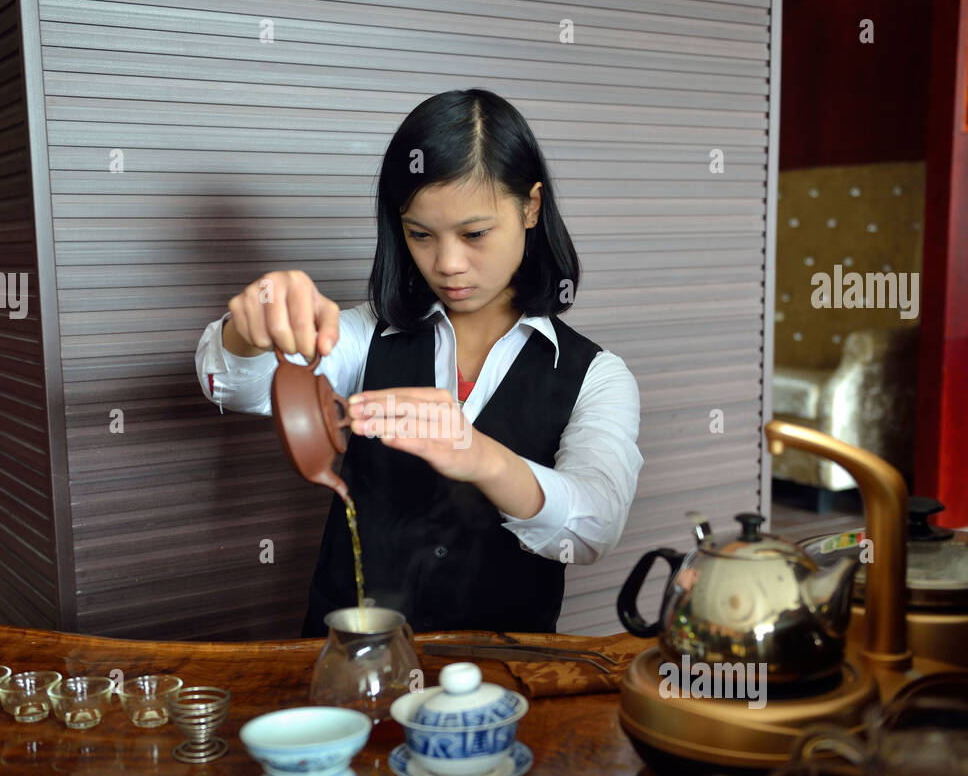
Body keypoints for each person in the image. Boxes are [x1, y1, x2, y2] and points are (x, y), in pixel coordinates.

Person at [196, 89, 642, 637]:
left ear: (530, 206)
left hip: (498, 679)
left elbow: (596, 528)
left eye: (475, 234)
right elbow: (233, 389)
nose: (448, 264)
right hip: (354, 667)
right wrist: (250, 327)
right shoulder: (364, 335)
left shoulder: (596, 376)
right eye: (420, 235)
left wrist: (480, 457)